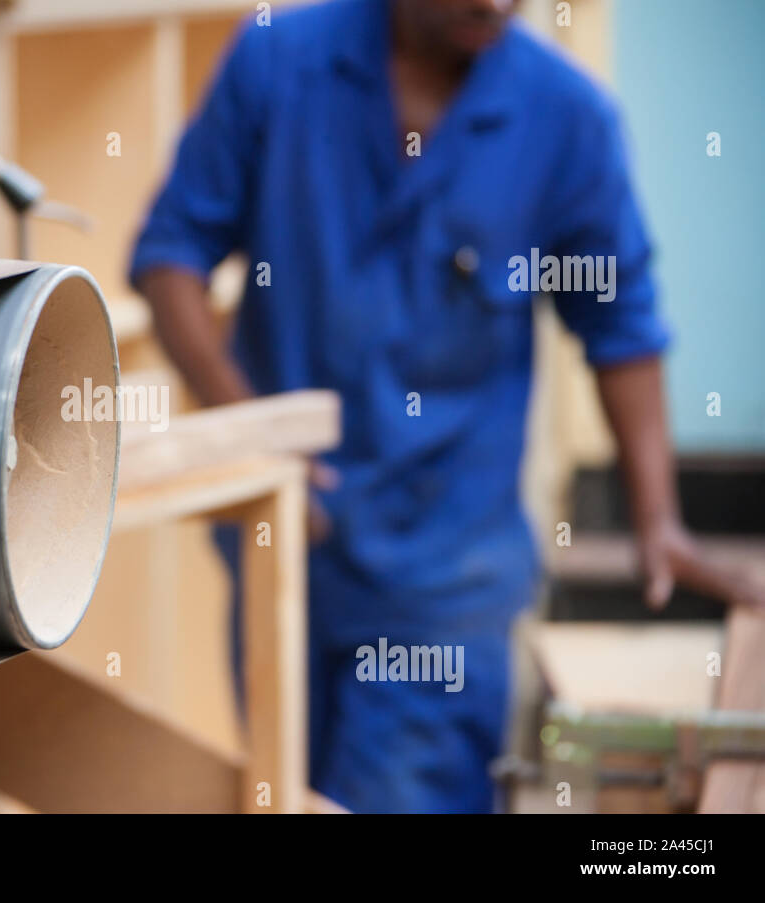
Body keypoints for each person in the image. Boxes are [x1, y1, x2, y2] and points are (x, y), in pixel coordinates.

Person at [129, 0, 762, 812]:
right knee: (282, 791)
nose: (494, 5)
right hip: (287, 551)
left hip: (445, 574)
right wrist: (245, 428)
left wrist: (659, 517)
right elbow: (170, 253)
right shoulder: (277, 61)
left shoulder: (566, 119)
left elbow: (620, 323)